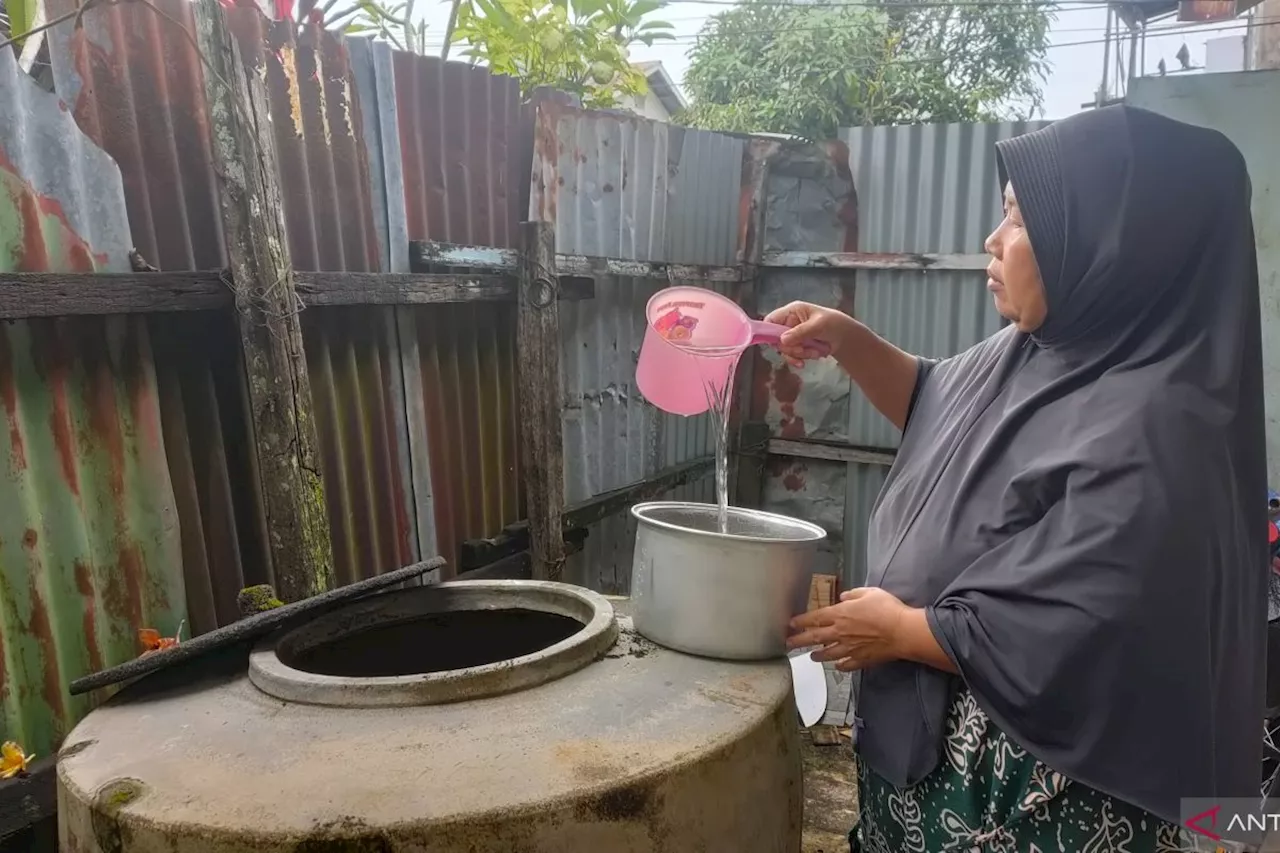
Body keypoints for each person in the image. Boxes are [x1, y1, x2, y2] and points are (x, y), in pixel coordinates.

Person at [770, 105, 1267, 852]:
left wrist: (905, 628)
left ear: (1112, 246)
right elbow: (935, 396)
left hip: (1042, 799)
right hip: (928, 769)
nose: (991, 242)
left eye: (1019, 221)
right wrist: (844, 337)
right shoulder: (1040, 349)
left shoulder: (1160, 426)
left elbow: (1085, 623)